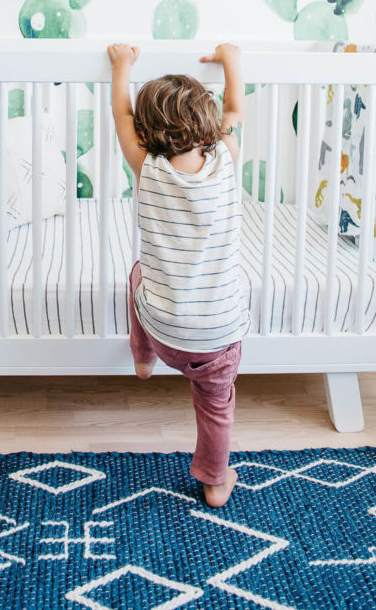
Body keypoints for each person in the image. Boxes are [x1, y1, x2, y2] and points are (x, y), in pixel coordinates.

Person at [107, 42, 248, 508]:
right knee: (215, 407)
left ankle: (143, 359)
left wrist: (122, 66)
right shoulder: (227, 157)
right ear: (208, 125)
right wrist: (230, 60)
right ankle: (213, 480)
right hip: (218, 336)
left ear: (149, 134)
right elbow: (235, 106)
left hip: (165, 330)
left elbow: (121, 116)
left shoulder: (146, 168)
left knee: (138, 274)